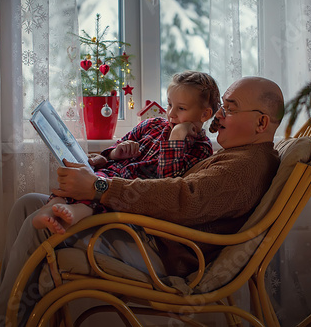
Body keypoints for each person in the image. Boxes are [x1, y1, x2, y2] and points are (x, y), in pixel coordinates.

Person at [0, 76, 284, 326]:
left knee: (42, 225)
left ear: (261, 123)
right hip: (149, 235)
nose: (218, 117)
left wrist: (100, 188)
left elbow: (184, 199)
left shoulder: (245, 168)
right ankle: (12, 316)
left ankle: (0, 322)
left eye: (229, 110)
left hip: (160, 250)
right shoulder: (238, 155)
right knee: (28, 204)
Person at [32, 70, 221, 235]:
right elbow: (112, 151)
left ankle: (74, 215)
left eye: (181, 109)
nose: (171, 114)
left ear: (204, 114)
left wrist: (176, 138)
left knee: (99, 199)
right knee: (77, 182)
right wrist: (116, 153)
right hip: (110, 174)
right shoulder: (152, 124)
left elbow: (169, 182)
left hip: (127, 194)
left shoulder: (201, 148)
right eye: (170, 104)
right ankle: (49, 210)